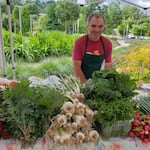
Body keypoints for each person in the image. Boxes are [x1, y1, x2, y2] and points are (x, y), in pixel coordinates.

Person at [72, 12, 112, 83]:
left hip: (96, 82)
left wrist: (104, 84)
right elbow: (76, 68)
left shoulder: (107, 43)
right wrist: (87, 86)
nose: (97, 30)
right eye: (93, 26)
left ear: (104, 27)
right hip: (79, 82)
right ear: (87, 26)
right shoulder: (79, 43)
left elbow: (108, 66)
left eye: (100, 26)